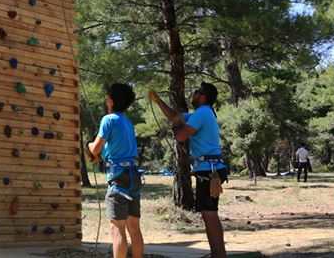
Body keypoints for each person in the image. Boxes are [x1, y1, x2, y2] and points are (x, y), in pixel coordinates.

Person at [148, 83, 228, 258]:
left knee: (210, 214)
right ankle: (217, 254)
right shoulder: (202, 113)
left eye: (197, 92)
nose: (193, 94)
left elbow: (180, 135)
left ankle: (219, 255)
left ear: (203, 97)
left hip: (209, 170)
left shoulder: (202, 112)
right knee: (208, 214)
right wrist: (158, 101)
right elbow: (176, 116)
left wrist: (176, 127)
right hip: (209, 168)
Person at [86, 83, 144, 258]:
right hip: (134, 175)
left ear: (110, 101)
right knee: (134, 228)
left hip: (119, 178)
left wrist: (89, 145)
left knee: (117, 228)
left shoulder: (108, 119)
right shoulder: (127, 122)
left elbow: (96, 149)